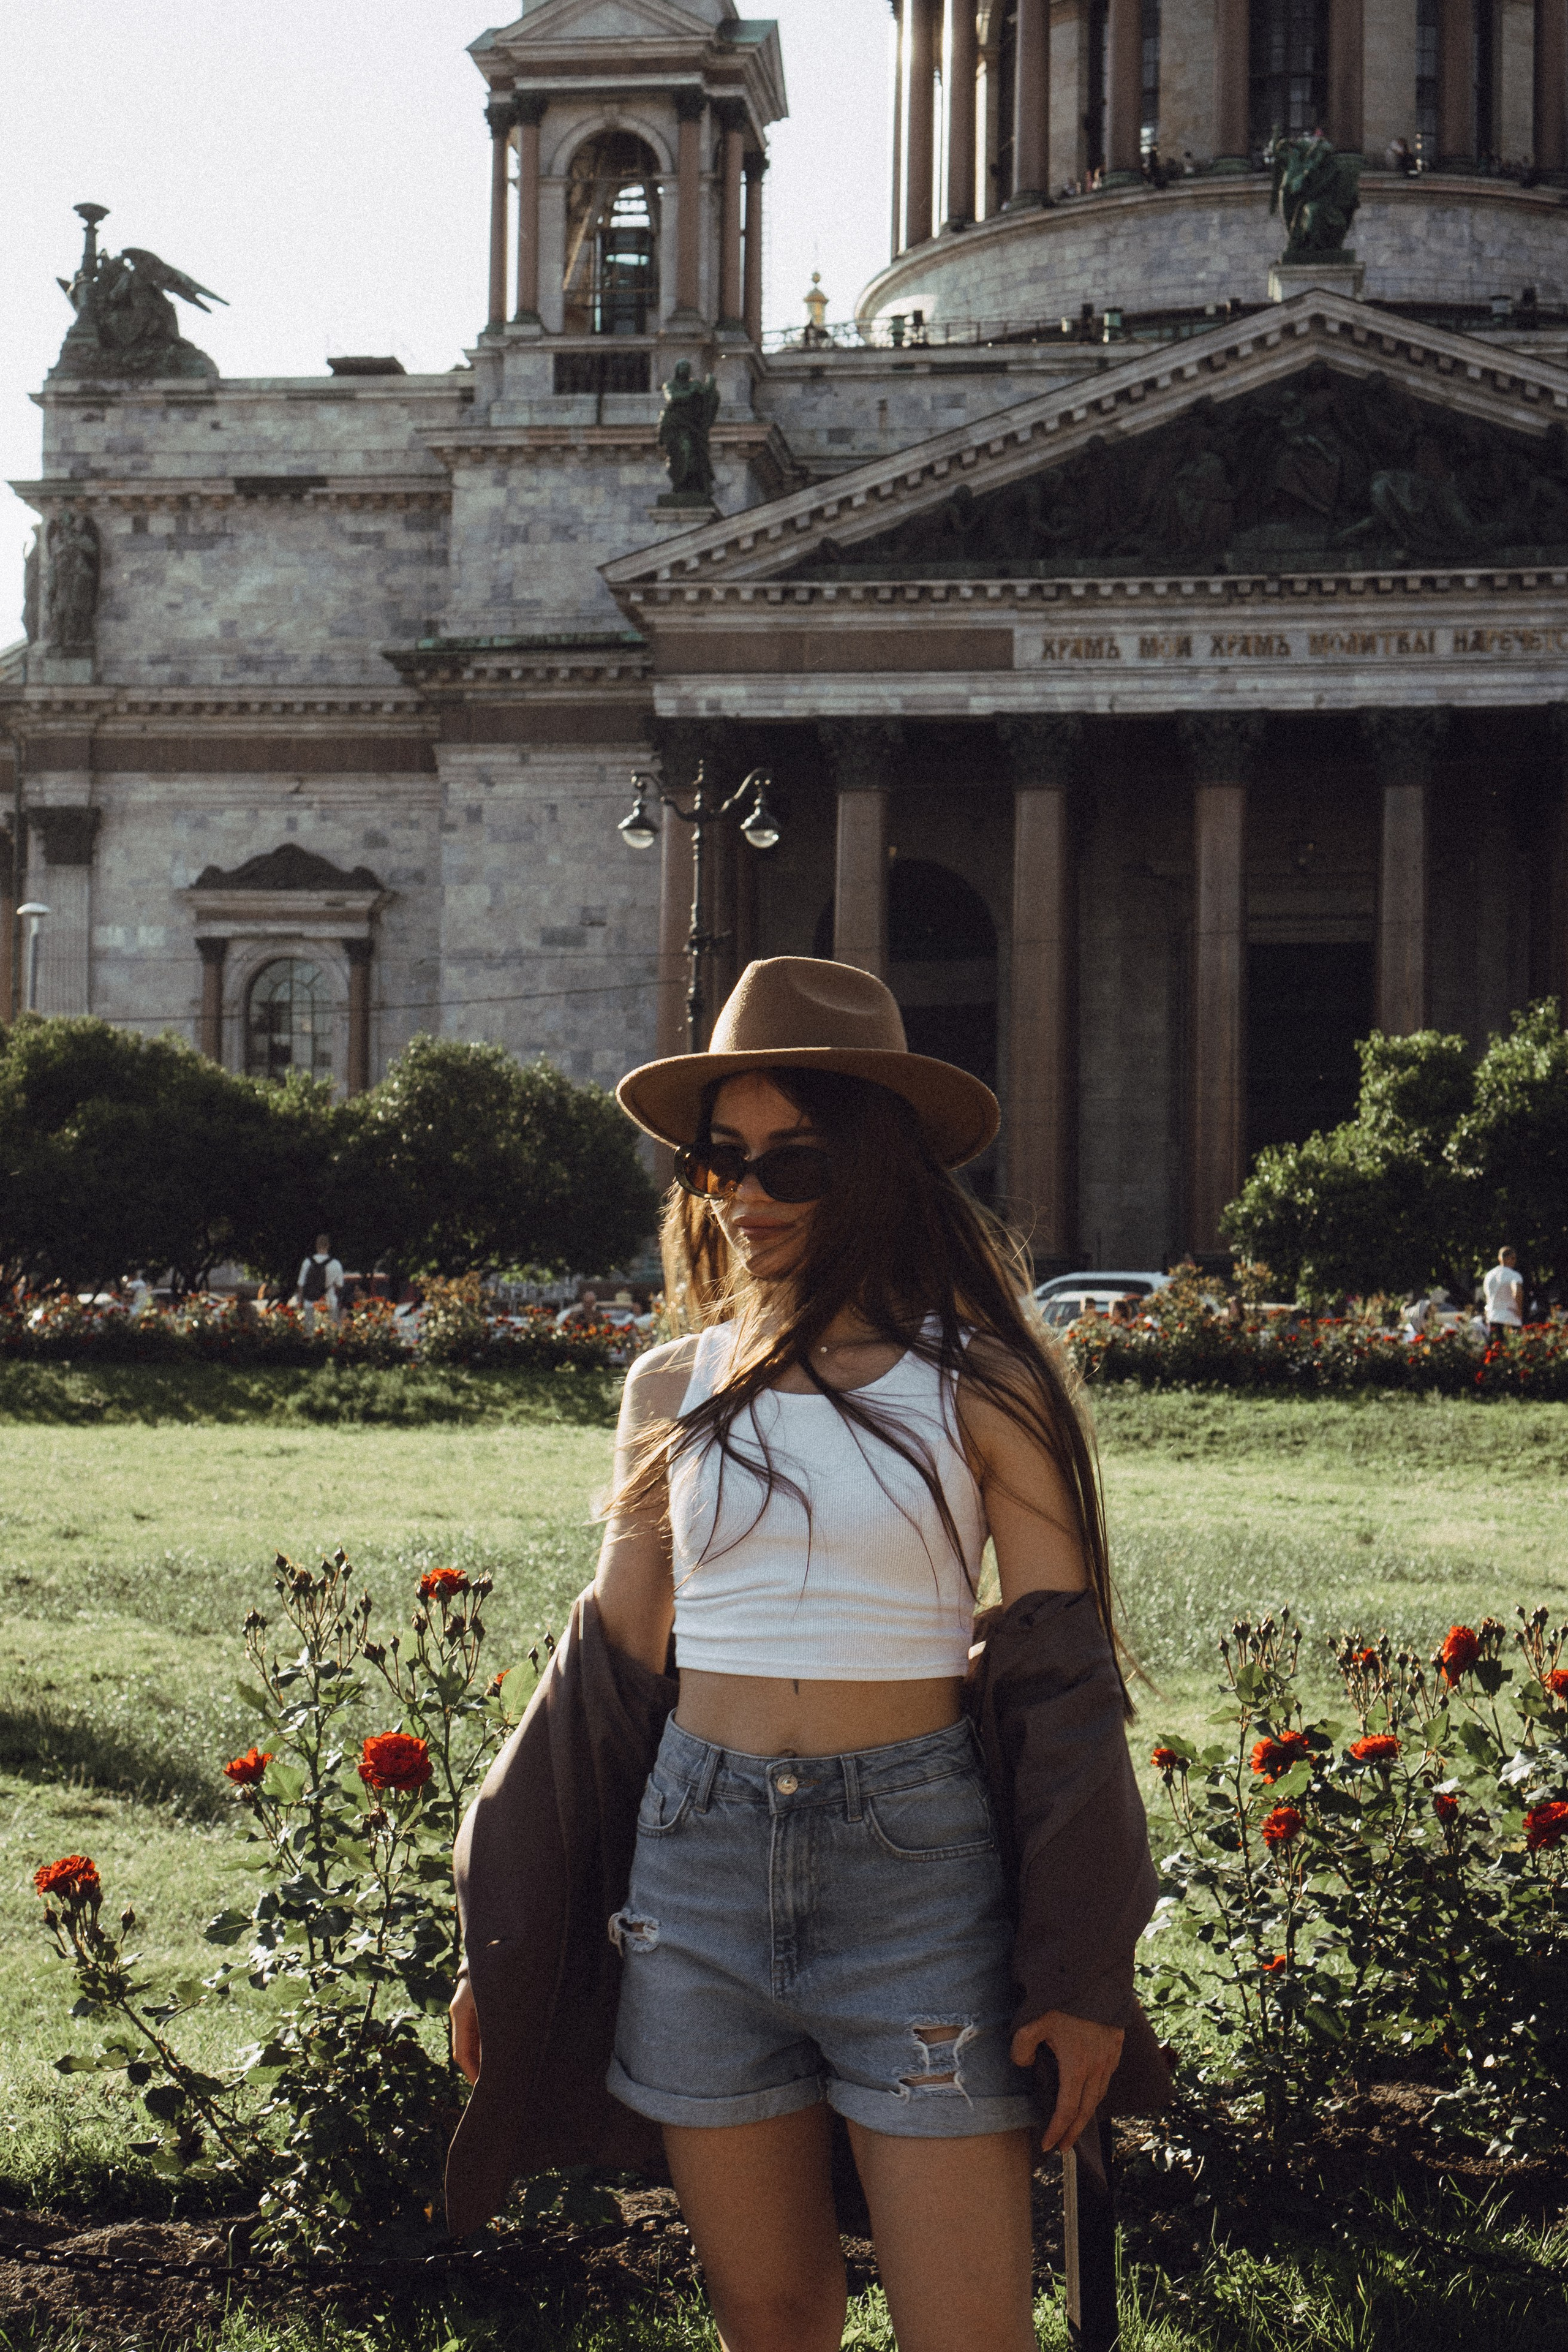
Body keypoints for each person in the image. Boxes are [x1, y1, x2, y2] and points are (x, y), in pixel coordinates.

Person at [448, 957, 1156, 2352]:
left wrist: (1084, 1974)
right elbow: (602, 1667)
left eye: (792, 1161)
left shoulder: (982, 1380)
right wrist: (509, 1926)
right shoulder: (673, 1384)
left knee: (966, 2327)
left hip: (914, 1875)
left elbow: (1063, 1680)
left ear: (878, 1168)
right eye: (718, 1159)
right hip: (693, 1870)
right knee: (768, 2317)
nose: (745, 1195)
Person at [292, 1232, 342, 1327]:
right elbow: (339, 1285)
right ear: (328, 1245)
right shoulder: (336, 1264)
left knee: (310, 1333)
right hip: (329, 1303)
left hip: (310, 1304)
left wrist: (300, 1303)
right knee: (329, 1333)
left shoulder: (307, 1262)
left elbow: (301, 1285)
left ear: (316, 1245)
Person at [1483, 1245, 1524, 1338]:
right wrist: (1519, 1311)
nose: (1515, 1261)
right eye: (1513, 1258)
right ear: (1507, 1258)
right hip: (1510, 1317)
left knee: (1495, 1349)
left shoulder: (1490, 1275)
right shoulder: (1514, 1275)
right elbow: (1517, 1291)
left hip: (1492, 1317)